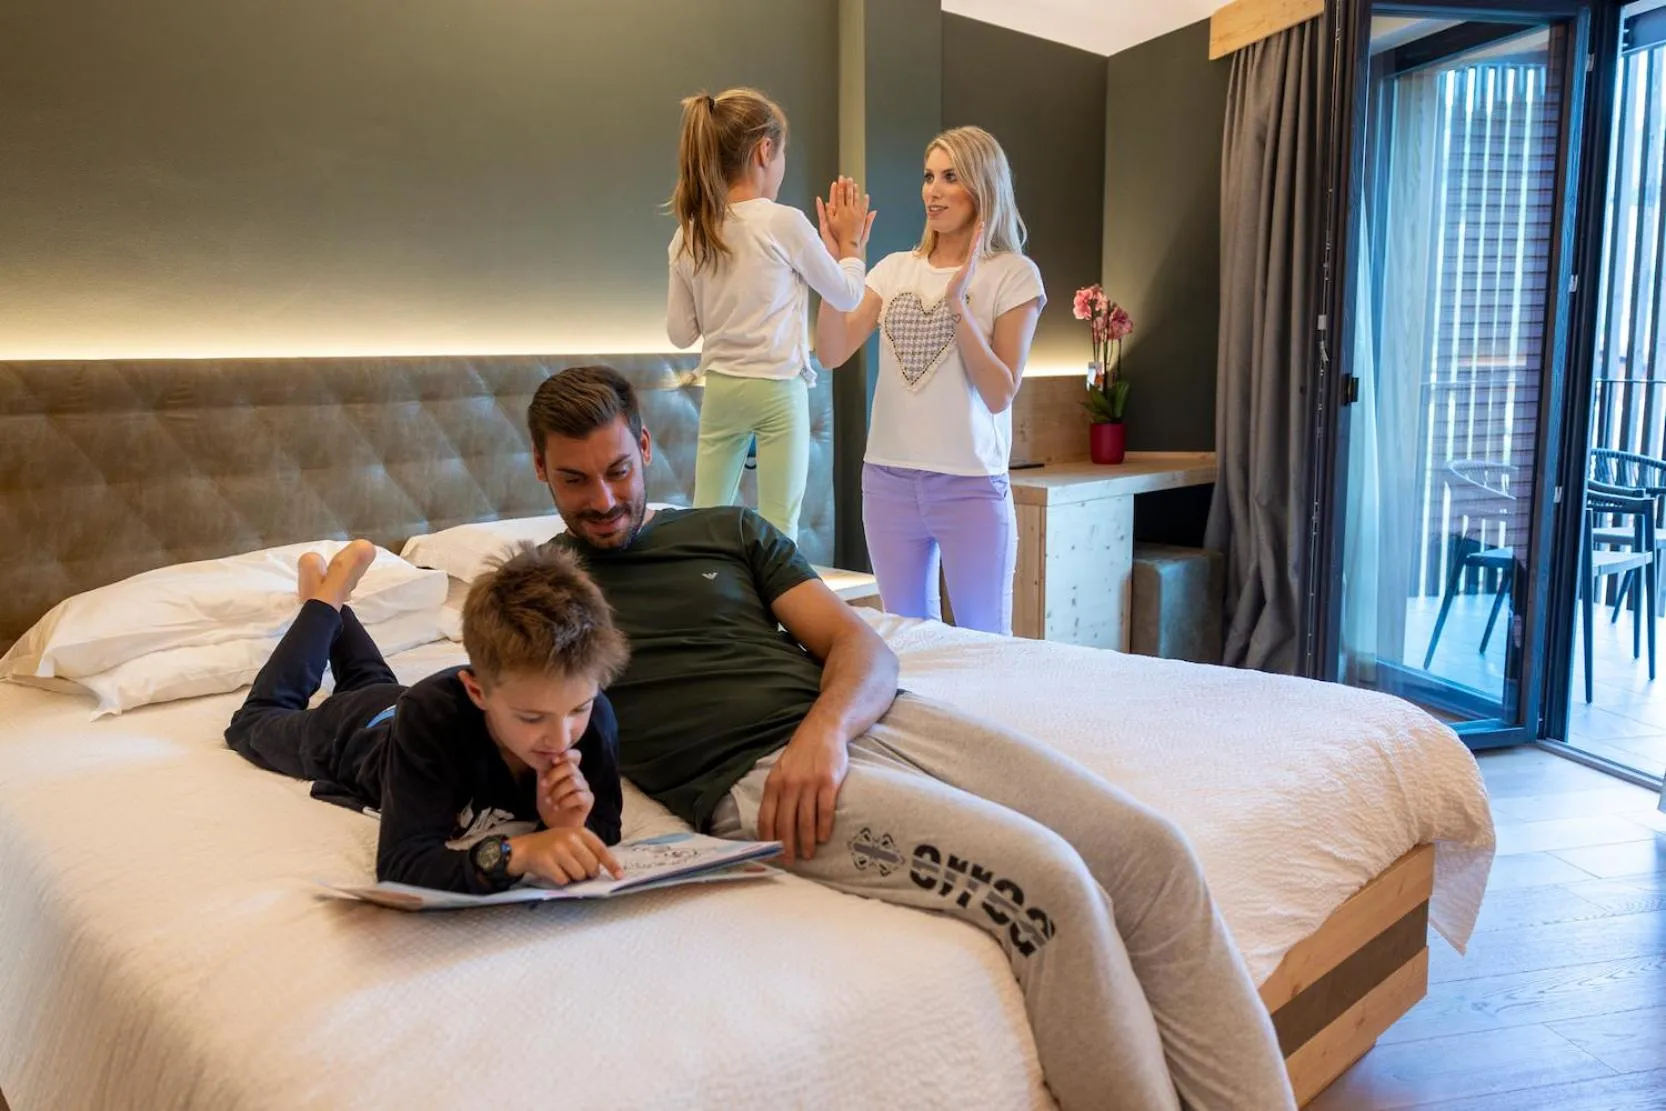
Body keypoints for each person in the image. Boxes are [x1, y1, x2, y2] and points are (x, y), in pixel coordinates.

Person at [525, 365, 1296, 1111]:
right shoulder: (541, 590)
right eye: (575, 481)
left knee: (1151, 851)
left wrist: (826, 729)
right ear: (539, 470)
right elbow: (508, 720)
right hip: (754, 778)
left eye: (618, 471)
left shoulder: (728, 529)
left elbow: (865, 648)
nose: (603, 500)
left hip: (867, 717)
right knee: (1050, 888)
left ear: (649, 448)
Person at [224, 540, 628, 894]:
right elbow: (402, 867)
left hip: (399, 699)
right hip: (360, 730)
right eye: (530, 717)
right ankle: (326, 600)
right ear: (477, 690)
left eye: (578, 709)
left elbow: (605, 826)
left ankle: (324, 598)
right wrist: (514, 853)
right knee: (252, 722)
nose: (561, 739)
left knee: (369, 679)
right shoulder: (432, 717)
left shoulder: (593, 718)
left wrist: (568, 828)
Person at [815, 125, 1044, 635]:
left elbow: (999, 391)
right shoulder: (894, 269)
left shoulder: (1013, 274)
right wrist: (839, 265)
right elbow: (831, 351)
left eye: (950, 177)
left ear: (982, 187)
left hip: (970, 485)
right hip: (887, 481)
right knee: (910, 643)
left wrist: (957, 306)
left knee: (985, 643)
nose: (932, 191)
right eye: (928, 176)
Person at [667, 86, 876, 541]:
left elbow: (680, 334)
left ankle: (709, 602)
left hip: (721, 389)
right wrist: (851, 247)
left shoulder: (688, 234)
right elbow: (844, 296)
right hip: (778, 392)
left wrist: (719, 303)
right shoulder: (783, 222)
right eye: (782, 154)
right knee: (782, 526)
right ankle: (778, 613)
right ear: (765, 150)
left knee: (707, 517)